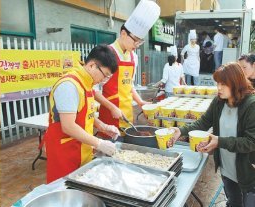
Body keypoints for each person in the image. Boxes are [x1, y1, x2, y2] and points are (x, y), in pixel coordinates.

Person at [167, 63, 255, 207]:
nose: (219, 88)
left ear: (236, 83)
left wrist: (219, 141)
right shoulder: (219, 102)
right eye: (218, 83)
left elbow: (251, 141)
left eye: (223, 84)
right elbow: (203, 122)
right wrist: (181, 131)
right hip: (227, 168)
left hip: (247, 171)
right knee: (233, 202)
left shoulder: (251, 105)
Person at [44, 45, 120, 183]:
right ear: (92, 65)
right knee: (65, 191)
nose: (104, 81)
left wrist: (103, 126)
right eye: (105, 76)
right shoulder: (69, 85)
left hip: (82, 148)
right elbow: (68, 126)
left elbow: (86, 112)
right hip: (65, 152)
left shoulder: (88, 83)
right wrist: (99, 143)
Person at [96, 0, 159, 137]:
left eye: (140, 41)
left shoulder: (133, 57)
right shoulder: (107, 54)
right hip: (109, 114)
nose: (137, 45)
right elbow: (93, 90)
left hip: (126, 114)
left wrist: (140, 101)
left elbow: (128, 84)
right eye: (135, 40)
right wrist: (112, 107)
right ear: (123, 34)